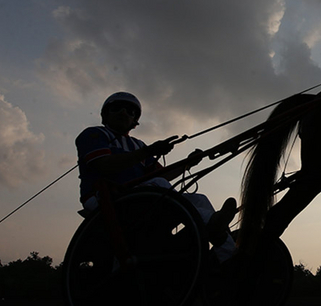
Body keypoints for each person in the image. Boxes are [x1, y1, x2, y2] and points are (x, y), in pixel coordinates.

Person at [75, 91, 237, 261]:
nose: (123, 112)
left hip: (139, 196)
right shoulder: (94, 134)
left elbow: (162, 175)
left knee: (200, 199)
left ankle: (227, 253)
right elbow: (104, 164)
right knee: (158, 184)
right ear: (105, 115)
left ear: (134, 122)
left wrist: (188, 163)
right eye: (117, 108)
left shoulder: (138, 145)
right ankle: (211, 223)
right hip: (104, 198)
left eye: (130, 111)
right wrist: (149, 151)